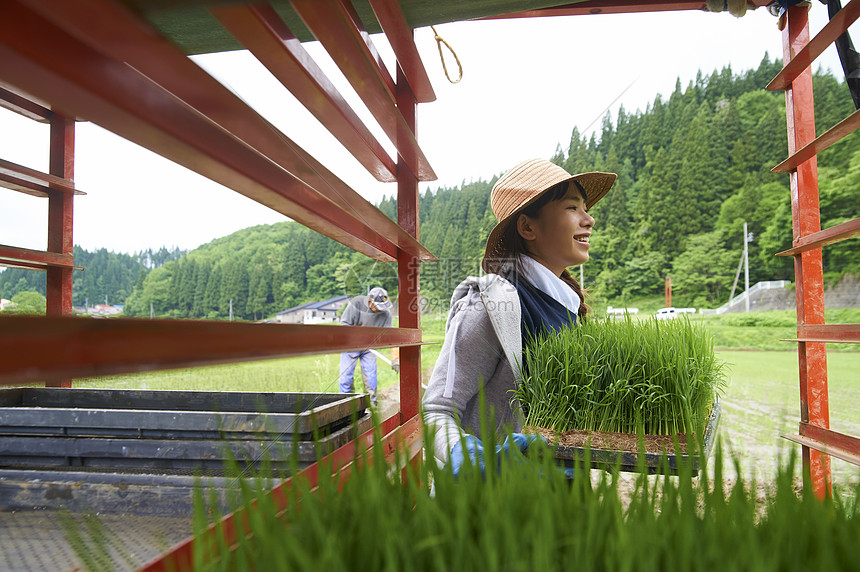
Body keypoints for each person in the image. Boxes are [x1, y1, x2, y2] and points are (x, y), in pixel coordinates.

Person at [421, 158, 616, 471]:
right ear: (527, 227)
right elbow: (436, 411)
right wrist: (472, 457)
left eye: (585, 208)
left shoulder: (567, 307)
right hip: (494, 505)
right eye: (572, 208)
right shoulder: (494, 305)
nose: (589, 219)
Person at [338, 286, 399, 405]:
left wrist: (395, 359)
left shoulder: (385, 315)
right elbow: (344, 325)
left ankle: (371, 405)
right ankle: (346, 404)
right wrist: (355, 339)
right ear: (370, 302)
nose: (381, 310)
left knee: (371, 378)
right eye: (378, 306)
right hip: (351, 346)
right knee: (346, 378)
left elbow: (392, 337)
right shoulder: (357, 304)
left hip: (370, 348)